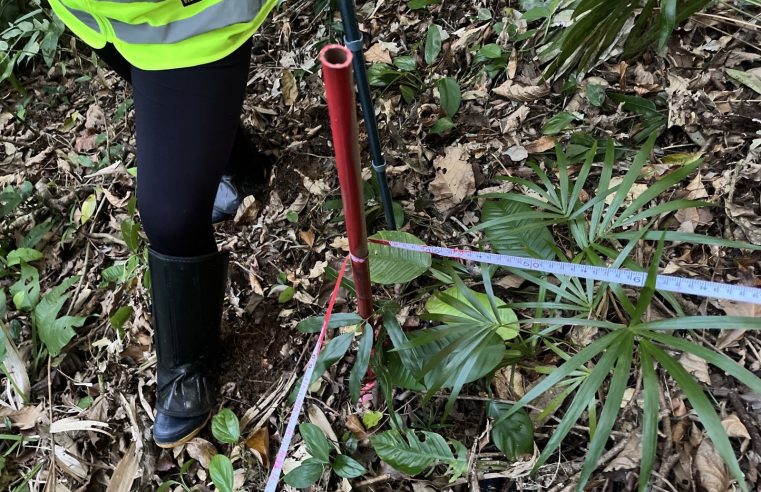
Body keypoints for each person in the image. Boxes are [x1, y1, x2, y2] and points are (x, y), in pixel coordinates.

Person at [47, 0, 279, 448]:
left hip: (192, 17)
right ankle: (241, 165)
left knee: (170, 216)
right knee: (172, 97)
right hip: (106, 17)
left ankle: (189, 367)